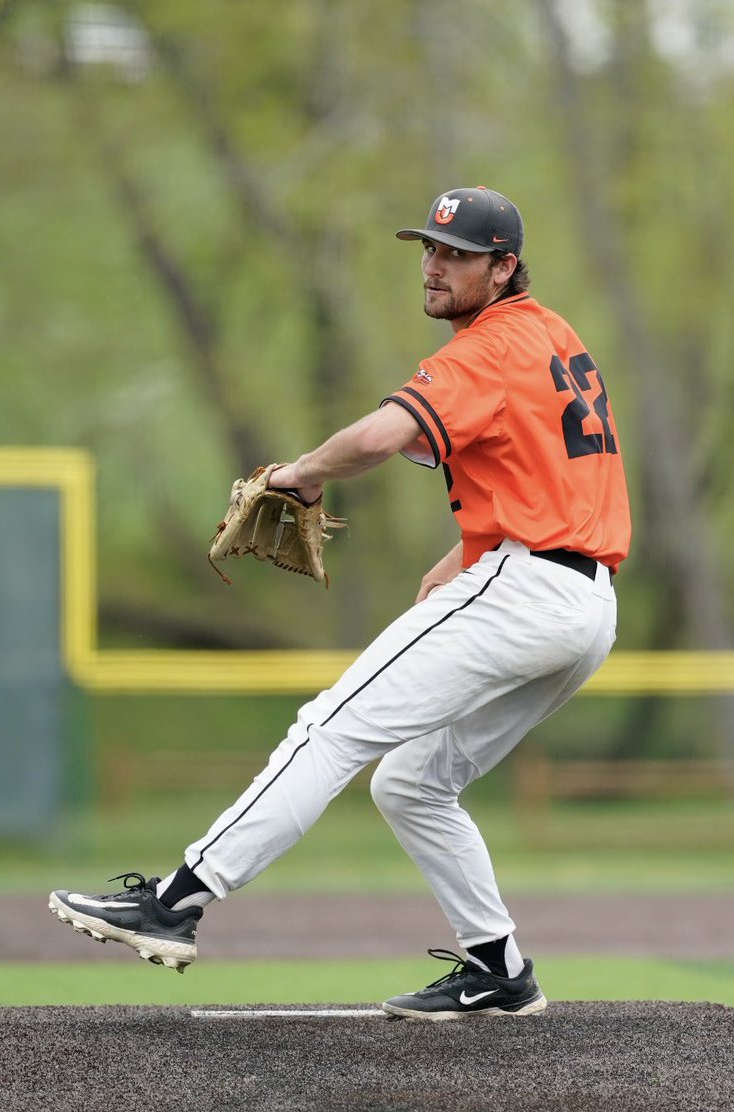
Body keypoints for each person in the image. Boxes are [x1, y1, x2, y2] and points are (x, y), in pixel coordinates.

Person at [49, 185, 632, 1021]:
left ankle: (174, 902)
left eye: (458, 255)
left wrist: (300, 473)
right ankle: (498, 970)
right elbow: (558, 478)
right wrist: (464, 553)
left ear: (503, 268)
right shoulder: (552, 336)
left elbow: (378, 437)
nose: (434, 266)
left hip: (526, 589)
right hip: (582, 604)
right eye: (429, 249)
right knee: (413, 784)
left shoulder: (486, 349)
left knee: (328, 728)